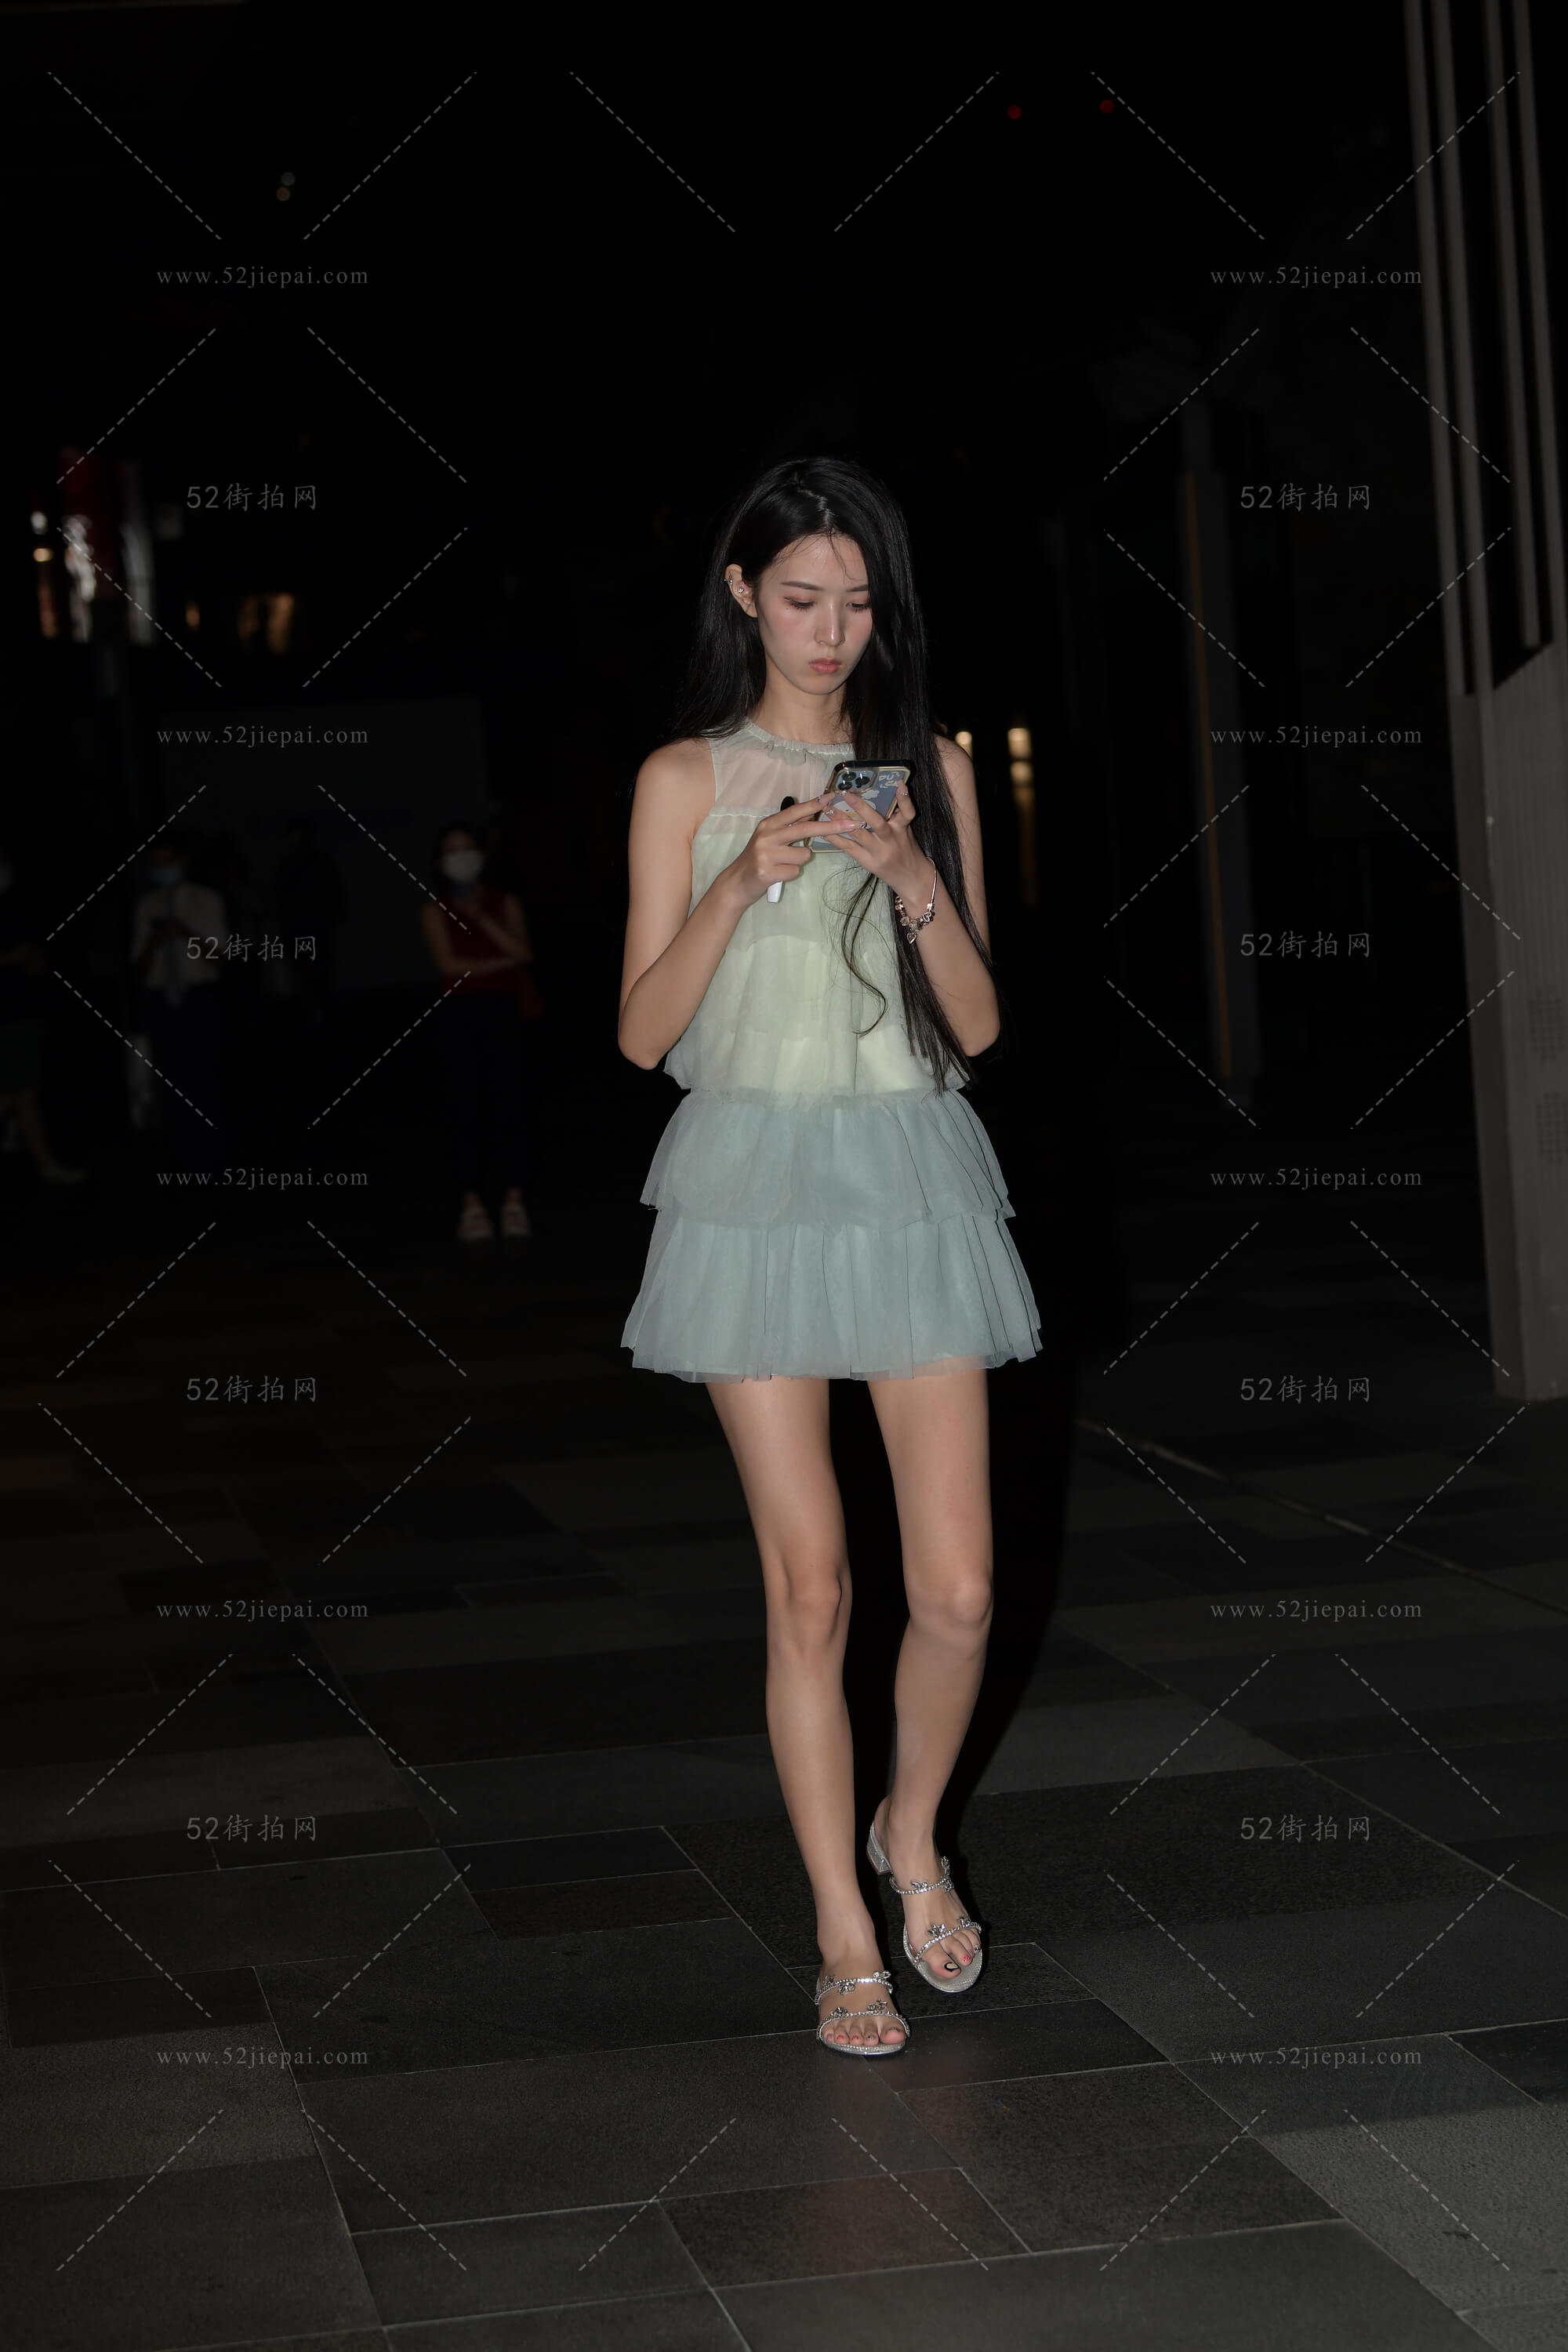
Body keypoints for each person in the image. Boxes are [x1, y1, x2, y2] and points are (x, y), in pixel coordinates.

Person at [619, 456, 1041, 2057]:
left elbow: (980, 1027)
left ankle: (910, 1831)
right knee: (811, 1588)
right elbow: (640, 1034)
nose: (830, 629)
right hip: (749, 1188)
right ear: (744, 594)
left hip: (909, 1173)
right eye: (801, 597)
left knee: (960, 1592)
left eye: (859, 602)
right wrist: (743, 878)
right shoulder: (682, 776)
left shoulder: (931, 768)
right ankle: (842, 1927)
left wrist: (914, 874)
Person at [419, 823, 533, 1242]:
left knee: (511, 1104)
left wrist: (484, 920)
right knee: (463, 1107)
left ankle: (514, 1201)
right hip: (459, 1015)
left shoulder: (505, 902)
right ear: (440, 862)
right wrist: (500, 962)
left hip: (504, 1012)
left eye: (467, 848)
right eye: (452, 851)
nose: (461, 857)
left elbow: (523, 952)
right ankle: (471, 1204)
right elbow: (449, 966)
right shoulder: (435, 910)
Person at [129, 832, 229, 1172]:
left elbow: (219, 960)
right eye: (155, 864)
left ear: (182, 861)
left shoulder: (206, 900)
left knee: (204, 1076)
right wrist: (153, 942)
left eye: (167, 862)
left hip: (199, 995)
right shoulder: (147, 906)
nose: (162, 870)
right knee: (171, 1078)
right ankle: (182, 1154)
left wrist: (185, 933)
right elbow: (139, 968)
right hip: (161, 998)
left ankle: (212, 1155)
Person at [0, 843, 86, 1185]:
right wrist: (11, 958)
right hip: (5, 1018)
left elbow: (37, 948)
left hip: (24, 1011)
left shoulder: (14, 905)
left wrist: (37, 959)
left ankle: (47, 1164)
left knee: (25, 1093)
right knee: (11, 1092)